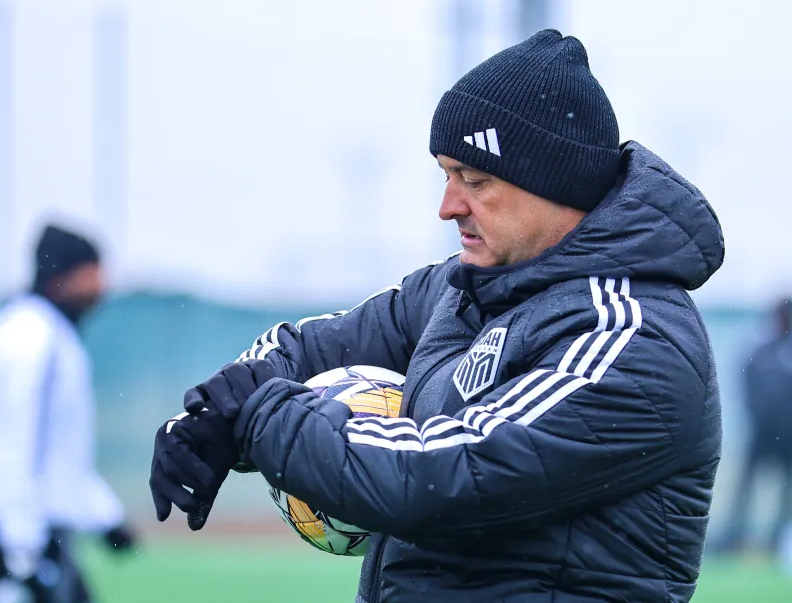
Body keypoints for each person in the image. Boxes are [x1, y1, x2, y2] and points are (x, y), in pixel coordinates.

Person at [150, 29, 725, 602]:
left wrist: (260, 416)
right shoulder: (462, 289)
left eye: (475, 181)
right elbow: (308, 348)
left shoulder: (631, 337)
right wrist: (217, 410)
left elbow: (441, 475)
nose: (448, 207)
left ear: (556, 185)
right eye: (446, 176)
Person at [0, 224, 136, 603]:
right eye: (92, 276)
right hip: (13, 530)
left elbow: (61, 453)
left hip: (22, 526)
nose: (101, 290)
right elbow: (16, 441)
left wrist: (105, 516)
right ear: (62, 275)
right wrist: (22, 548)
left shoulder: (23, 329)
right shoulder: (35, 339)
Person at [716, 297, 792, 554]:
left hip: (791, 434)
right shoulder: (761, 351)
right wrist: (758, 415)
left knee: (789, 490)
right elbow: (747, 385)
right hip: (761, 431)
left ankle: (783, 538)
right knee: (746, 487)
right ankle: (734, 536)